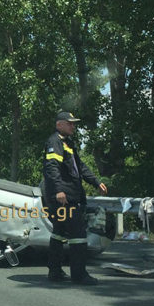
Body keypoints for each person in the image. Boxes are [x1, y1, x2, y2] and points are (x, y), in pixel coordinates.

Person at [43, 111, 108, 284]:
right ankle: (79, 275)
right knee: (78, 235)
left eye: (74, 123)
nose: (73, 126)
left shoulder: (68, 144)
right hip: (63, 197)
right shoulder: (54, 142)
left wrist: (95, 182)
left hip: (68, 196)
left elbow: (80, 166)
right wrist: (58, 190)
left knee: (59, 233)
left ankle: (55, 272)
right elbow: (52, 167)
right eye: (69, 123)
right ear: (59, 124)